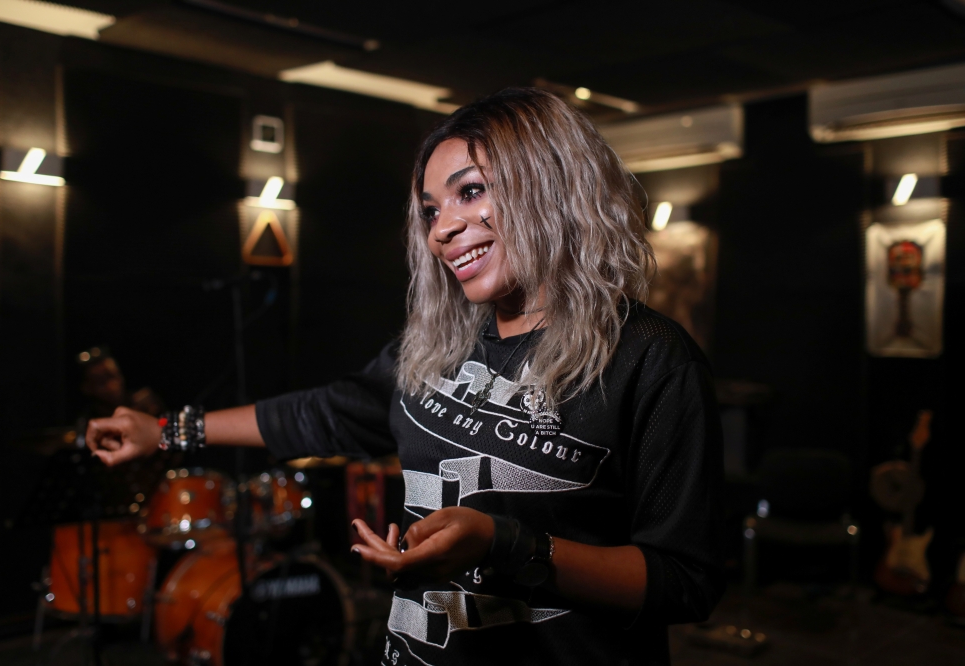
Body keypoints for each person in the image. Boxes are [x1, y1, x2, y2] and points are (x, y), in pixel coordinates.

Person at [86, 88, 724, 666]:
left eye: (470, 191)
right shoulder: (438, 345)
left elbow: (683, 581)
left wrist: (507, 545)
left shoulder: (651, 358)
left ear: (549, 184)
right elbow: (324, 413)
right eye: (430, 209)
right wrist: (167, 430)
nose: (442, 229)